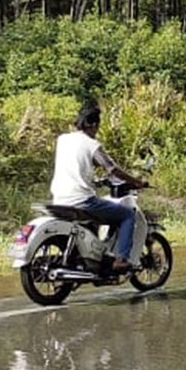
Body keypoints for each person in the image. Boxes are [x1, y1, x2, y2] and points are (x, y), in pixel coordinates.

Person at [49, 102, 146, 273]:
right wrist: (136, 181)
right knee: (126, 216)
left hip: (59, 199)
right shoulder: (91, 144)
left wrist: (95, 180)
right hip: (82, 201)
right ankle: (120, 259)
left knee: (94, 219)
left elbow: (77, 163)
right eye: (98, 125)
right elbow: (112, 168)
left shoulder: (63, 140)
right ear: (93, 124)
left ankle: (92, 257)